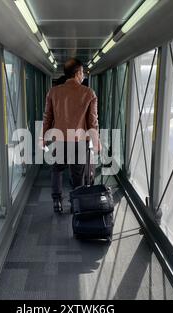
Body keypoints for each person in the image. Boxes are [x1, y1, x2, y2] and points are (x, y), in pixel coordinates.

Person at [40, 58, 100, 213]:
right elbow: (93, 121)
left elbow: (48, 117)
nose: (83, 76)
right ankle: (75, 203)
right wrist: (96, 141)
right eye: (82, 73)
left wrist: (44, 138)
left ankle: (57, 202)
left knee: (57, 169)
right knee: (78, 175)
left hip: (60, 138)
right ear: (78, 73)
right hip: (79, 141)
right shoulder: (88, 93)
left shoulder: (53, 92)